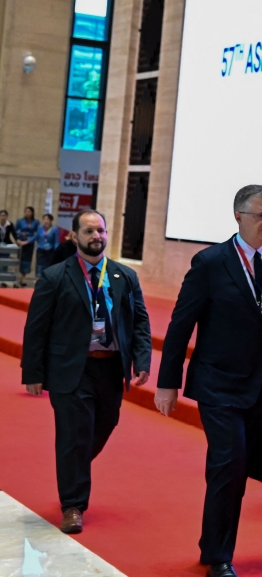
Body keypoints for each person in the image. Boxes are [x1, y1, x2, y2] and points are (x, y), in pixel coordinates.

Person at [154, 185, 262, 577]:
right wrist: (168, 381)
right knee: (231, 462)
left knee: (232, 467)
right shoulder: (211, 262)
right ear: (239, 216)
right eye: (261, 215)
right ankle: (221, 557)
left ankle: (212, 544)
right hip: (218, 383)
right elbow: (181, 324)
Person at [20, 210, 152, 534]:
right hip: (71, 369)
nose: (97, 236)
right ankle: (73, 505)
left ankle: (72, 466)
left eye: (101, 231)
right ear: (74, 236)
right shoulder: (55, 277)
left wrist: (142, 360)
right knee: (75, 435)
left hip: (110, 367)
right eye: (89, 231)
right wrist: (32, 372)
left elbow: (139, 322)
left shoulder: (124, 276)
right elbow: (36, 328)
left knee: (105, 425)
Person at [16, 206, 40, 284]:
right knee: (20, 259)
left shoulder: (36, 222)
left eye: (29, 212)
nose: (27, 213)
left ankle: (23, 277)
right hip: (21, 242)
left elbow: (37, 233)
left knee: (27, 260)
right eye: (26, 211)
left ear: (32, 213)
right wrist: (19, 237)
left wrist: (29, 241)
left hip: (29, 243)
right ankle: (19, 276)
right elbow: (15, 231)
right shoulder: (20, 221)